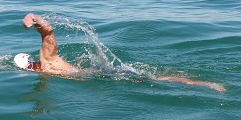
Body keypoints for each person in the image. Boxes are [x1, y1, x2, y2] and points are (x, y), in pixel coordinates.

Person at [18, 13, 226, 92]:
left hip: (101, 74)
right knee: (151, 79)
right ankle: (201, 84)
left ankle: (205, 85)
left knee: (153, 80)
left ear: (29, 67)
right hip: (97, 72)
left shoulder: (47, 62)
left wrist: (34, 18)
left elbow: (48, 33)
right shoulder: (46, 67)